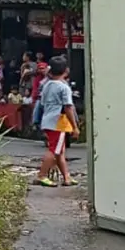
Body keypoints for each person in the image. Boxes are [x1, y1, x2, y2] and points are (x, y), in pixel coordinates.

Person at [35, 56, 79, 187]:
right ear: (66, 71)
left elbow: (42, 103)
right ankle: (42, 175)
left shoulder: (46, 85)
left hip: (48, 119)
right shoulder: (64, 87)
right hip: (58, 122)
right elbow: (68, 107)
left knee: (60, 151)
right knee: (54, 150)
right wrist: (74, 126)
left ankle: (66, 177)